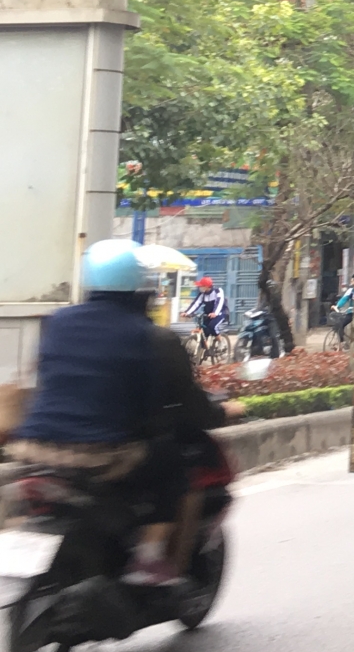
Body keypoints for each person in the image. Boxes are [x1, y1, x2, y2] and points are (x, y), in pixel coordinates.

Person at [7, 240, 237, 586]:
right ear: (141, 291)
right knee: (177, 476)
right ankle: (150, 557)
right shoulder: (154, 338)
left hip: (37, 449)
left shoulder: (57, 322)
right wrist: (223, 413)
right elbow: (189, 404)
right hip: (108, 455)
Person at [185, 276, 228, 344]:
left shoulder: (218, 291)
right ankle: (203, 350)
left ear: (207, 286)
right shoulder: (202, 294)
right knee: (204, 331)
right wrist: (187, 312)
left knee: (212, 326)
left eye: (201, 286)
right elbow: (196, 303)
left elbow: (219, 302)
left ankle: (221, 343)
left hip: (220, 313)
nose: (200, 287)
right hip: (208, 314)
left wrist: (215, 313)